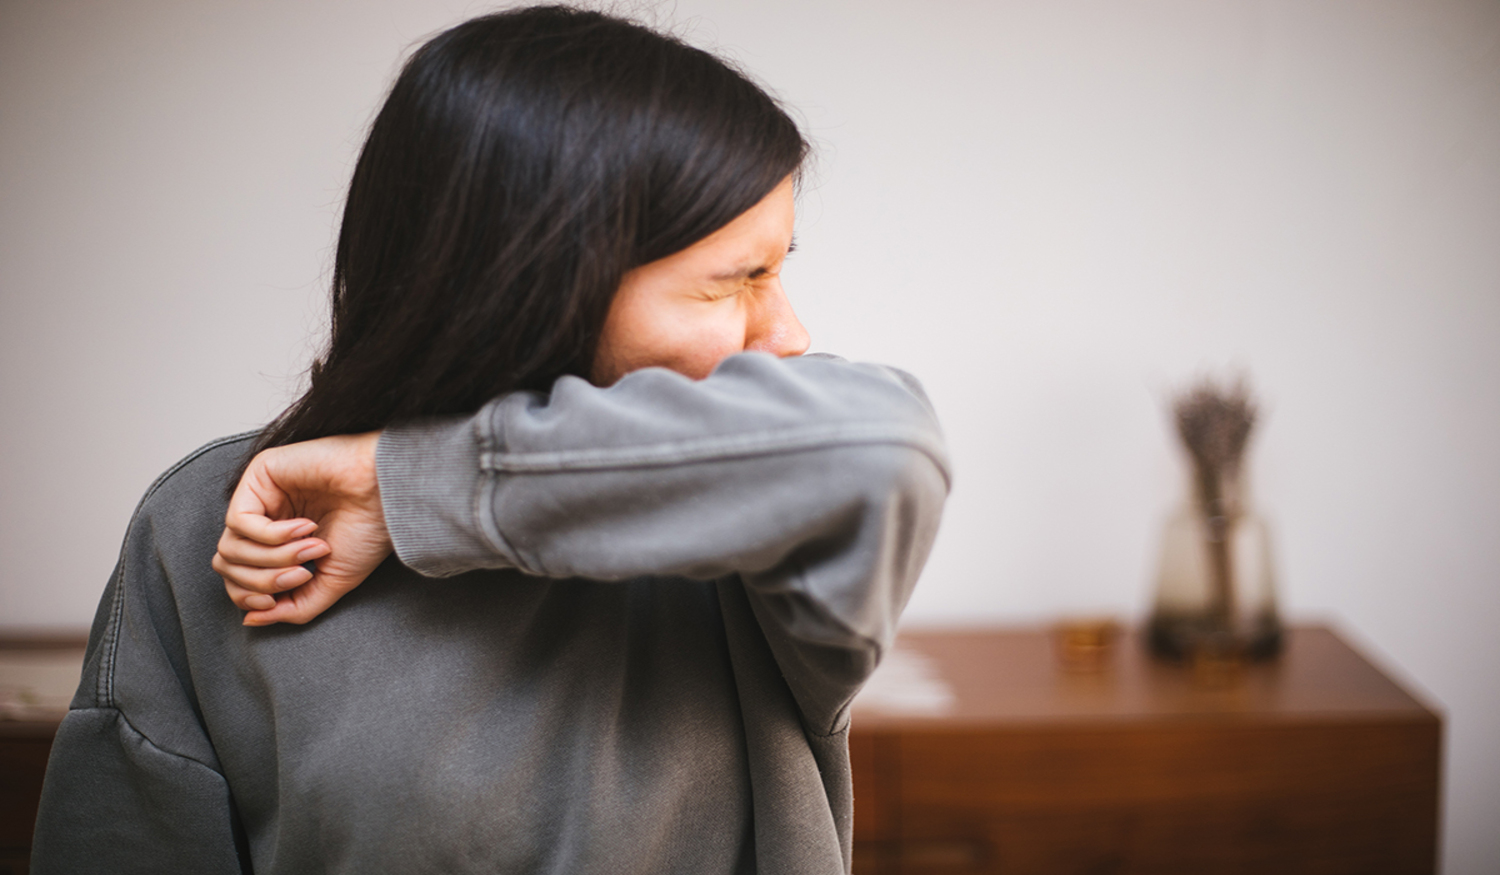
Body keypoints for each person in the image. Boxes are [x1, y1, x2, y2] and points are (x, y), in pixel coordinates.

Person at [32, 7, 949, 874]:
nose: (788, 333)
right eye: (736, 279)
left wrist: (405, 490)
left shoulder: (754, 530)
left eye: (779, 269)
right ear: (544, 278)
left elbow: (882, 445)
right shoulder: (221, 520)